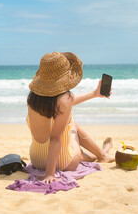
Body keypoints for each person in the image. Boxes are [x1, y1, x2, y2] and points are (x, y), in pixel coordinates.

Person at [26, 51, 115, 184]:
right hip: (63, 163)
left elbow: (60, 105)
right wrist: (49, 174)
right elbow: (56, 138)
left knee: (68, 125)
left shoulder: (33, 98)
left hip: (36, 160)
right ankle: (102, 154)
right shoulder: (66, 99)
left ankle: (102, 153)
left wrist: (94, 94)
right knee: (72, 126)